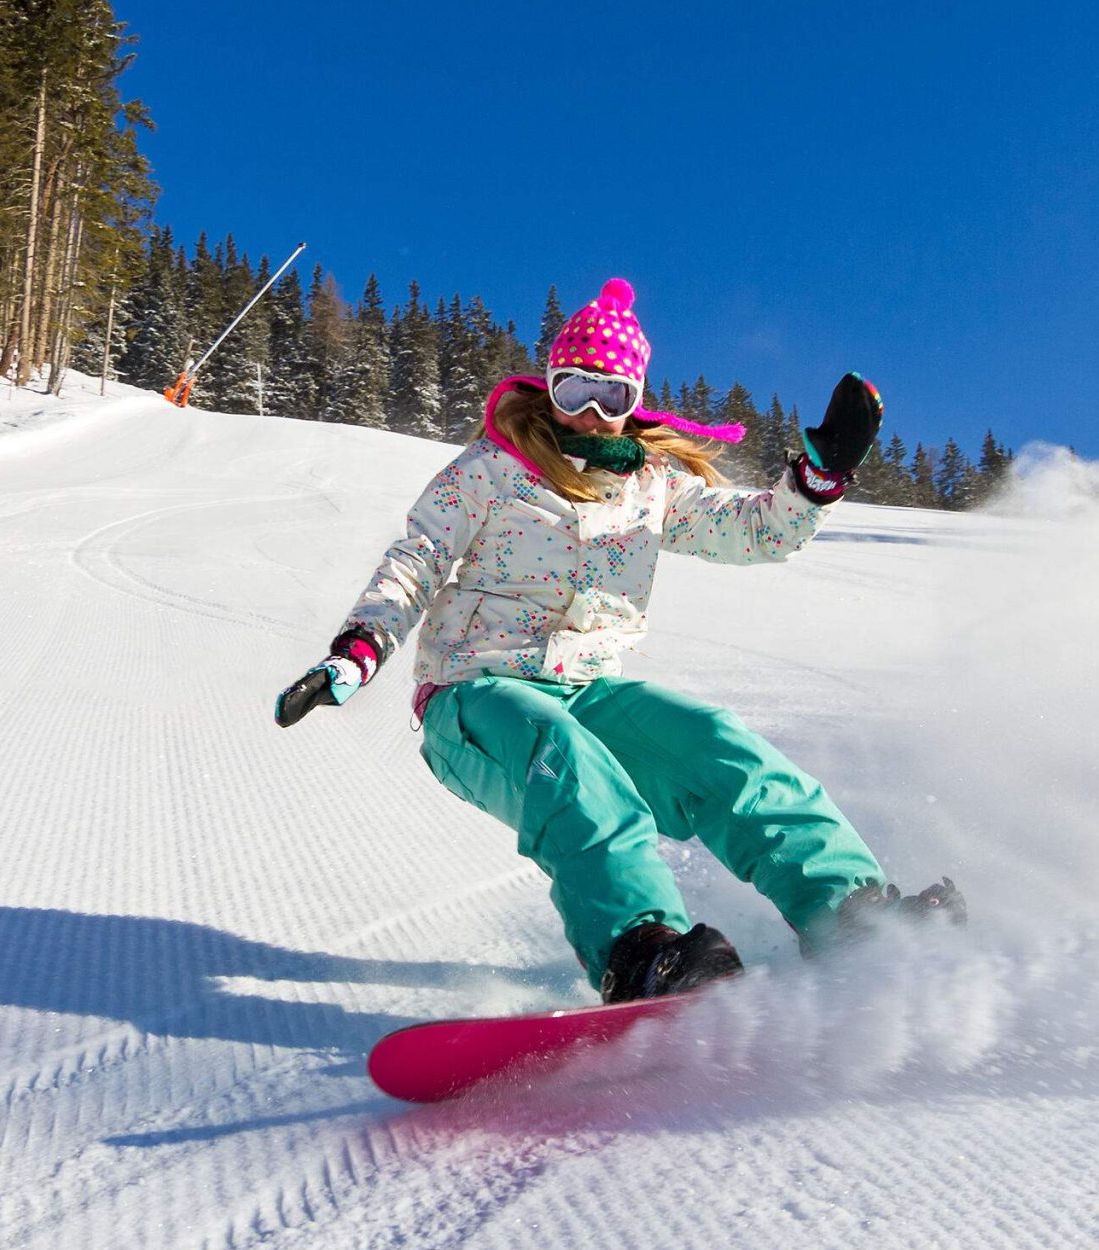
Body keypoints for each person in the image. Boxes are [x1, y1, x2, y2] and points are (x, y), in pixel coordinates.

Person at [275, 277, 961, 1003]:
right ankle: (640, 947)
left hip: (586, 690)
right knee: (569, 764)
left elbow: (755, 530)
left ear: (635, 401)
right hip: (475, 698)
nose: (594, 416)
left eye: (613, 397)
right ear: (549, 387)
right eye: (574, 393)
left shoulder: (652, 485)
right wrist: (358, 648)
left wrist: (819, 478)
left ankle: (848, 913)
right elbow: (416, 557)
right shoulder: (494, 466)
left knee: (717, 746)